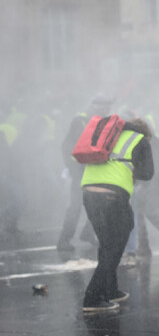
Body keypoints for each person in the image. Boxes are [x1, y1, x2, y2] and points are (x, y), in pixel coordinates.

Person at [81, 118, 153, 312]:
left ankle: (110, 289)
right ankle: (92, 298)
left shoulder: (108, 137)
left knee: (107, 242)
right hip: (113, 195)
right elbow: (148, 173)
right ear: (145, 132)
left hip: (88, 193)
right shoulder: (140, 140)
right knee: (114, 245)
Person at [57, 94, 115, 251]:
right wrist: (73, 169)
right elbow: (67, 146)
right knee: (76, 207)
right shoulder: (80, 121)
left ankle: (88, 233)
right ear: (94, 106)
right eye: (103, 106)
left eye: (108, 106)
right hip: (80, 171)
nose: (106, 109)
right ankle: (64, 241)